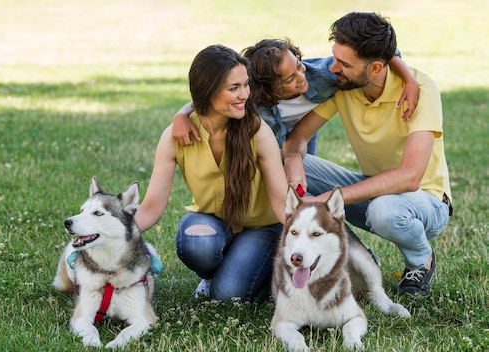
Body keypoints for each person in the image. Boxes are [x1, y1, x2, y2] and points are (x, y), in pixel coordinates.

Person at [283, 12, 452, 296]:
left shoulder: (422, 89)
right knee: (276, 160)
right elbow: (297, 139)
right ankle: (360, 259)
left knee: (384, 211)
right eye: (334, 57)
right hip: (373, 190)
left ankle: (421, 260)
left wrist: (326, 200)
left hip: (425, 203)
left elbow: (411, 177)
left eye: (344, 63)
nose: (333, 68)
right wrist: (293, 161)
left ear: (375, 68)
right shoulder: (345, 85)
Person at [134, 44, 289, 302]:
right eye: (234, 88)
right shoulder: (176, 135)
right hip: (213, 221)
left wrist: (313, 238)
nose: (245, 95)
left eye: (246, 85)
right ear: (208, 92)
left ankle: (264, 271)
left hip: (261, 227)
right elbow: (151, 206)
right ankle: (219, 272)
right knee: (197, 245)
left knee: (229, 295)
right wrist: (110, 234)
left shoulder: (257, 132)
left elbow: (282, 204)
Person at [172, 38, 419, 154]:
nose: (301, 77)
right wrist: (181, 115)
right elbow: (211, 95)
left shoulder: (322, 75)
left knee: (304, 175)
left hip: (305, 131)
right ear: (269, 88)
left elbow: (381, 49)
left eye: (299, 66)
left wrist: (408, 79)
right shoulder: (251, 97)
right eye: (289, 79)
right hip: (274, 136)